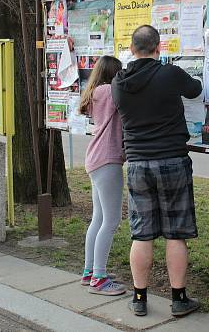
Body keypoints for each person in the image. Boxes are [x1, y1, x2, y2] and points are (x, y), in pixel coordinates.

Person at [111, 25, 203, 317]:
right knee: (175, 233)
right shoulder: (170, 73)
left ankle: (139, 299)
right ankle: (179, 299)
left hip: (137, 164)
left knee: (142, 234)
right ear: (158, 48)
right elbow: (195, 89)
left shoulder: (118, 82)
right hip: (172, 161)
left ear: (131, 49)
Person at [79, 55, 126, 296]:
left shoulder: (95, 91)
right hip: (107, 159)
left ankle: (90, 272)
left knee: (98, 218)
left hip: (95, 158)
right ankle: (99, 278)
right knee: (111, 220)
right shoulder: (110, 91)